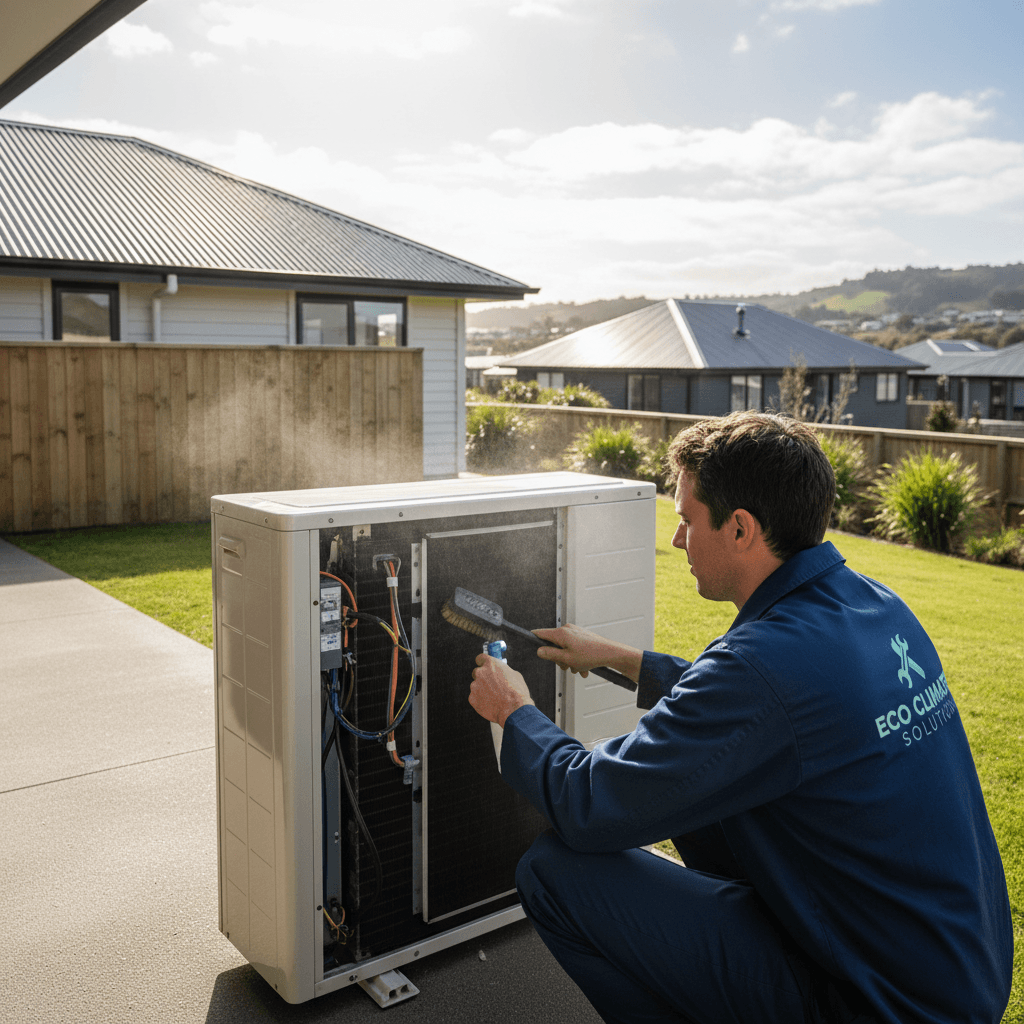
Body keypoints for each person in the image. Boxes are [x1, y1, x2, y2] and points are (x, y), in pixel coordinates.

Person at [468, 411, 1012, 1024]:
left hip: (877, 1002)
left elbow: (591, 803)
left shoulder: (760, 667)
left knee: (552, 871)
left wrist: (515, 713)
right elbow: (770, 714)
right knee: (711, 792)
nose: (677, 540)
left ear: (741, 529)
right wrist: (619, 659)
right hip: (953, 976)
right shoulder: (875, 606)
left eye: (685, 520)